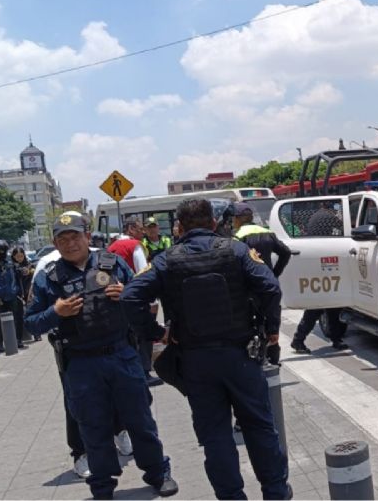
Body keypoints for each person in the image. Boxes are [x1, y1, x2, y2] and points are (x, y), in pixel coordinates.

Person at [121, 199, 292, 500]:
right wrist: (269, 329)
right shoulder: (236, 250)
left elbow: (131, 297)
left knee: (215, 437)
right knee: (259, 427)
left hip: (195, 361)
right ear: (213, 224)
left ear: (180, 227)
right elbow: (270, 288)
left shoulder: (166, 260)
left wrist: (158, 334)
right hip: (241, 355)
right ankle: (275, 492)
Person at [25, 213, 178, 500]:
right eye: (63, 239)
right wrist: (55, 313)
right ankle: (103, 486)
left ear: (87, 237)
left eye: (75, 236)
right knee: (92, 427)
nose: (70, 244)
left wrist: (127, 293)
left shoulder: (113, 263)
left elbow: (143, 297)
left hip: (122, 354)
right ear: (55, 243)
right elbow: (31, 323)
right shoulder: (49, 278)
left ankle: (158, 473)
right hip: (81, 363)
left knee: (140, 420)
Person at [290, 202, 348, 355]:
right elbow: (342, 232)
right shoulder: (330, 217)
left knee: (330, 305)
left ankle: (335, 338)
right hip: (325, 264)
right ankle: (299, 339)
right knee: (320, 306)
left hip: (318, 262)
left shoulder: (316, 216)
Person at [108, 216, 160, 386]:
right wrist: (151, 300)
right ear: (130, 229)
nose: (142, 232)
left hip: (115, 299)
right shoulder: (134, 246)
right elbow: (143, 271)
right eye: (139, 228)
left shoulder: (111, 247)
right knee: (144, 334)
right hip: (135, 296)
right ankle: (145, 372)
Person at [230, 202, 291, 278]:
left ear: (237, 219)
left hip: (249, 283)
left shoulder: (237, 236)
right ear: (251, 217)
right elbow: (286, 252)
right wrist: (274, 274)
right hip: (268, 281)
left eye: (233, 218)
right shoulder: (268, 233)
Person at [11, 246, 40, 342]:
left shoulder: (29, 265)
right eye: (17, 256)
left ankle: (36, 334)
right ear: (13, 256)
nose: (19, 258)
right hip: (17, 294)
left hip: (29, 293)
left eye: (21, 256)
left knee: (33, 313)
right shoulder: (11, 267)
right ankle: (19, 338)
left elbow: (35, 277)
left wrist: (30, 271)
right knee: (18, 316)